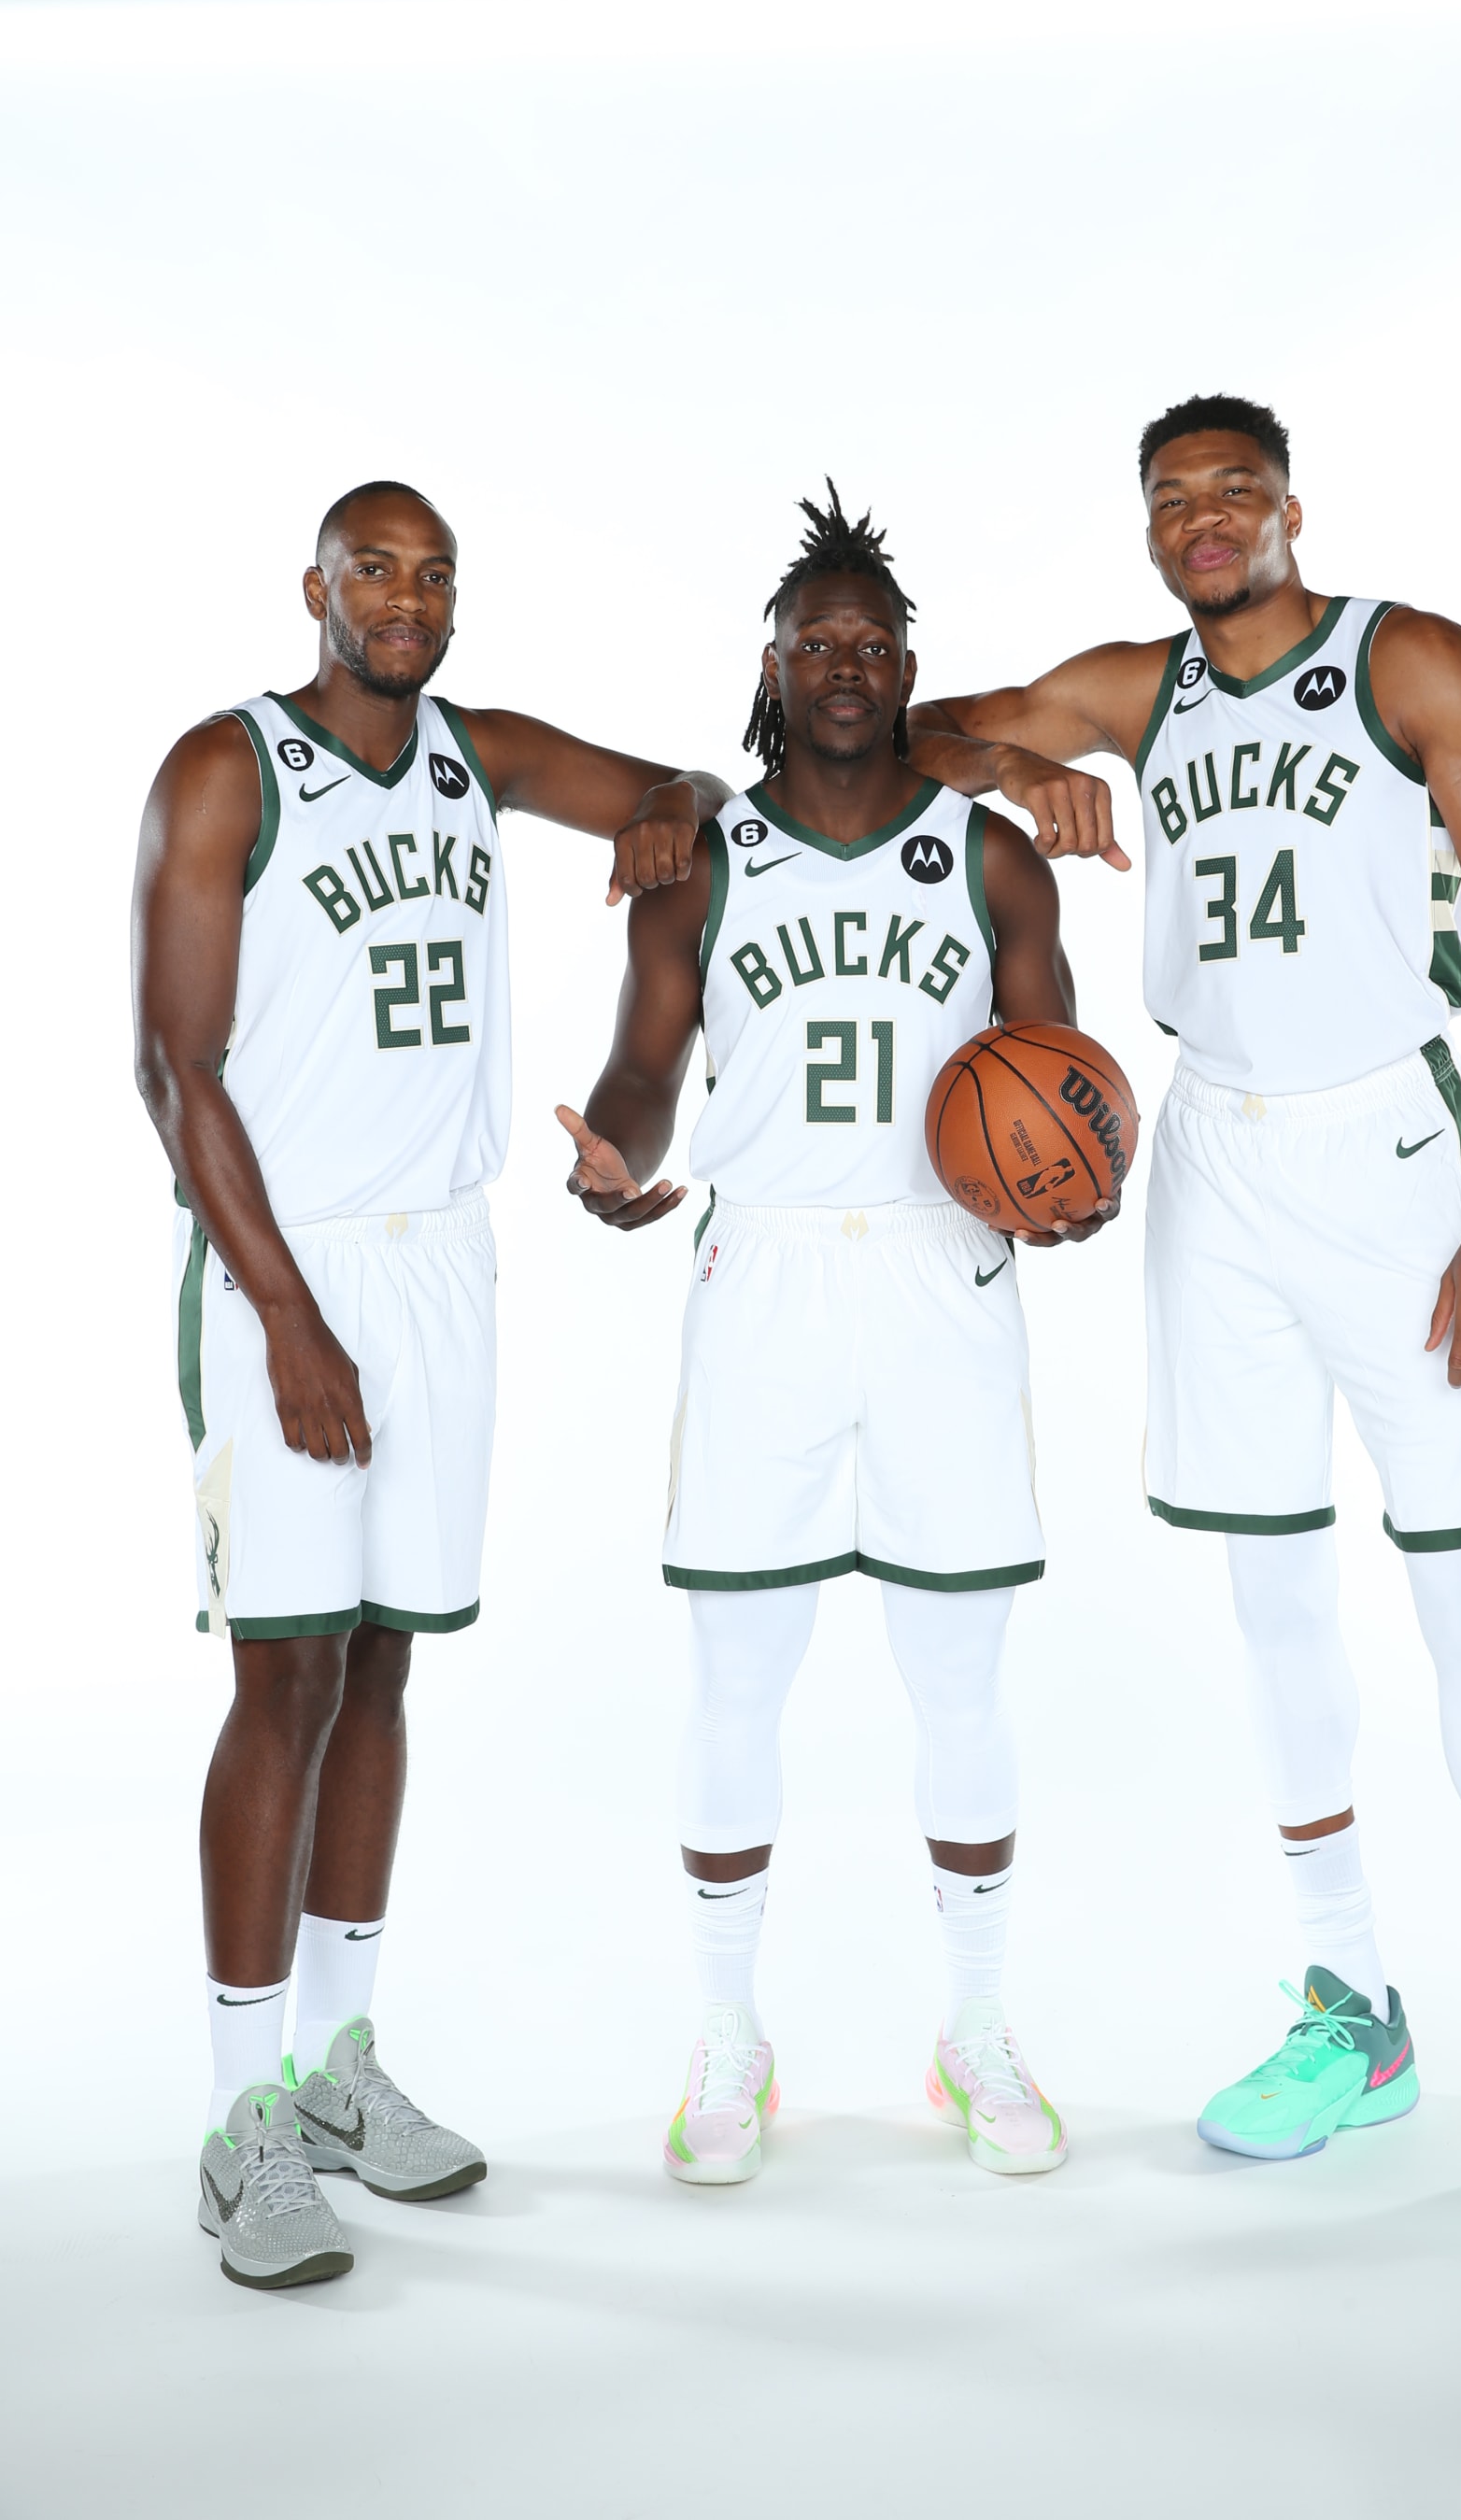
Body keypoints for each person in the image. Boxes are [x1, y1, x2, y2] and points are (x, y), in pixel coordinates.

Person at [903, 394, 1461, 2258]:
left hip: (1393, 1154)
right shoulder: (1139, 689)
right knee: (1274, 1597)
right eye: (1174, 501)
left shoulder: (1408, 660)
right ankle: (1355, 2010)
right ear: (1152, 533)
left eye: (1236, 491)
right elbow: (910, 729)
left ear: (1293, 508)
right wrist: (1019, 769)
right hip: (1211, 1163)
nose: (1206, 520)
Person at [133, 479, 728, 2288]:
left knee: (383, 1660)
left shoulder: (474, 753)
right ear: (309, 587)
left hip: (444, 1259)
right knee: (284, 1677)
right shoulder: (226, 767)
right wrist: (292, 1321)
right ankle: (240, 2124)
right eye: (370, 570)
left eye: (431, 573)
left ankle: (337, 2067)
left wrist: (659, 869)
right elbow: (175, 1072)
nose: (403, 597)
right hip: (289, 1261)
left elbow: (685, 798)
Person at [560, 484, 1113, 2186]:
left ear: (906, 662)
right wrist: (611, 1164)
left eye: (875, 641)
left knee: (959, 1676)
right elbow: (648, 1076)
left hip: (946, 1276)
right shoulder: (700, 861)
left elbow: (1062, 1074)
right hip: (769, 1281)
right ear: (777, 665)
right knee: (741, 1674)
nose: (849, 663)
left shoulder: (989, 852)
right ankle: (730, 2039)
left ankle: (978, 2028)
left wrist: (1072, 1186)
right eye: (820, 640)